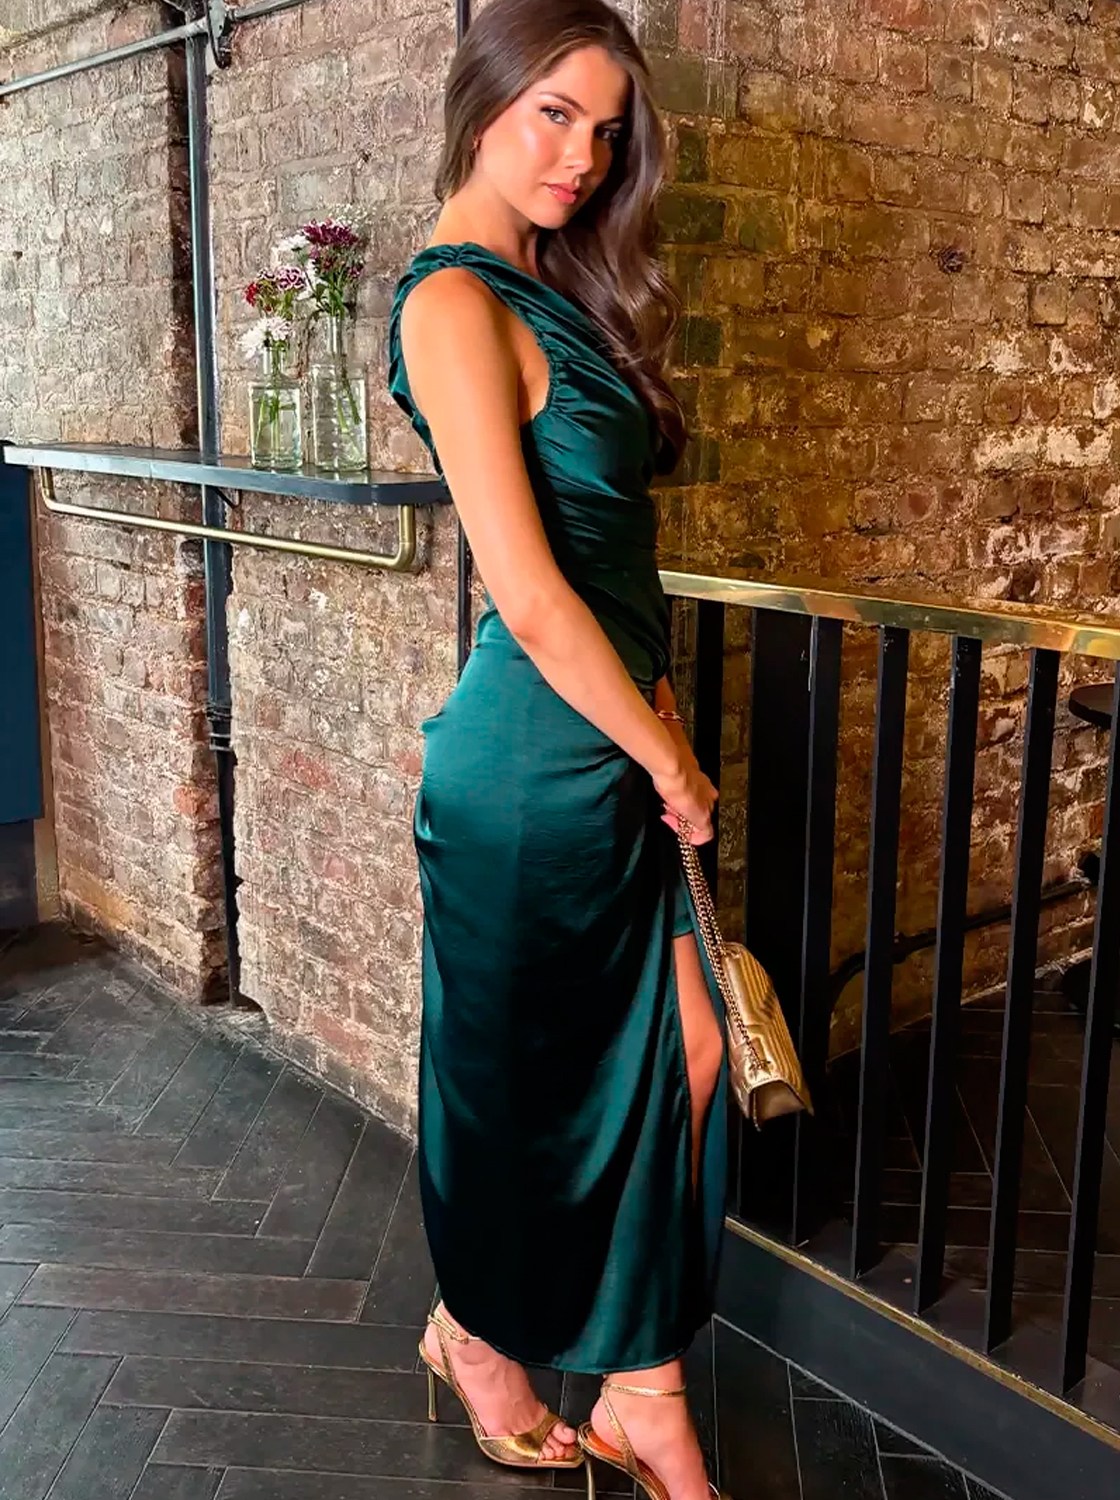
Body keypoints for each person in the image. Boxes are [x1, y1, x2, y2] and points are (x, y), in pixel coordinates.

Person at [387, 3, 727, 1497]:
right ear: (483, 101)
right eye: (554, 114)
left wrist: (660, 735)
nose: (582, 157)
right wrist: (670, 759)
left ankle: (638, 1389)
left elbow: (612, 571)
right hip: (530, 769)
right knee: (512, 1089)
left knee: (691, 1049)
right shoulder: (452, 303)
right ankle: (484, 1342)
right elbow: (528, 594)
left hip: (610, 741)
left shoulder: (552, 291)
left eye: (606, 130)